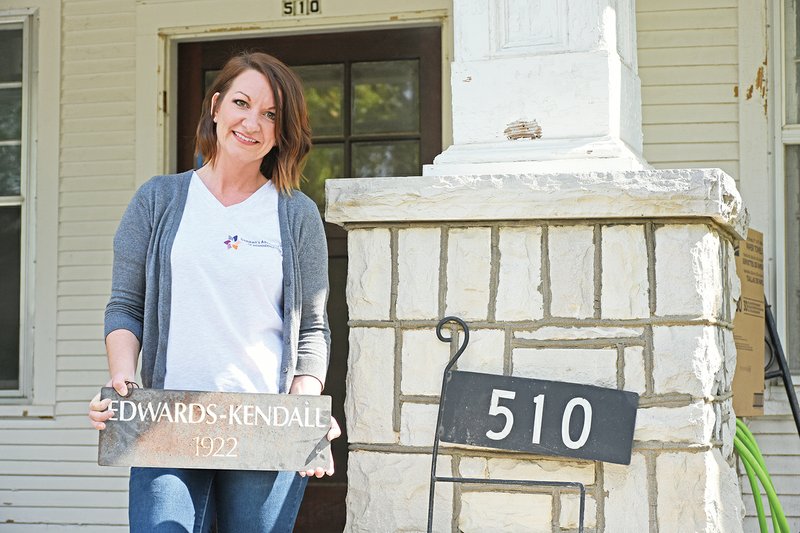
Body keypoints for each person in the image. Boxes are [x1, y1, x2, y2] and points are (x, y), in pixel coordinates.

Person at [88, 51, 339, 532]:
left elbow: (311, 330)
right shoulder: (158, 200)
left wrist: (305, 407)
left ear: (282, 131)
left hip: (264, 425)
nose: (253, 122)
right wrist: (123, 384)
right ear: (217, 105)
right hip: (166, 421)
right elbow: (125, 306)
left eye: (271, 115)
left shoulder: (296, 214)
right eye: (242, 103)